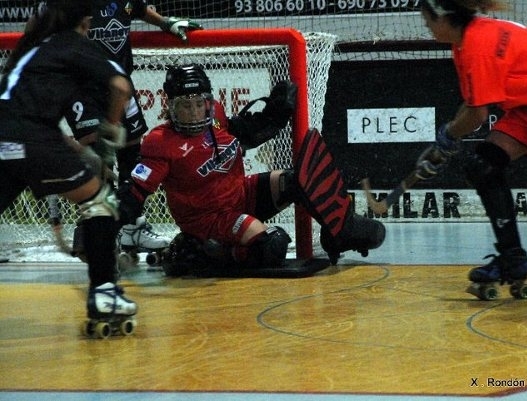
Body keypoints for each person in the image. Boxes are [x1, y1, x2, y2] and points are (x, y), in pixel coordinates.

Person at [118, 64, 386, 277]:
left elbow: (246, 133)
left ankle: (343, 231)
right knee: (273, 245)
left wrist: (274, 115)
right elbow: (135, 192)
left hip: (241, 194)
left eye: (200, 103)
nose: (195, 112)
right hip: (211, 219)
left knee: (299, 180)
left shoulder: (217, 115)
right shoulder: (161, 142)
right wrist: (105, 226)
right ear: (171, 106)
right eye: (186, 106)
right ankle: (205, 253)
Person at [415, 0, 527, 300]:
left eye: (428, 19)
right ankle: (512, 260)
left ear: (445, 17)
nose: (426, 25)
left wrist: (448, 136)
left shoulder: (477, 44)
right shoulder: (464, 44)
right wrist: (444, 144)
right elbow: (472, 104)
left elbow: (477, 115)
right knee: (482, 166)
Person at [0, 0, 137, 336]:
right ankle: (105, 293)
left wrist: (78, 151)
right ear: (85, 22)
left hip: (8, 137)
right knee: (101, 202)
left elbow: (23, 119)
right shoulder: (74, 44)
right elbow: (121, 86)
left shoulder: (30, 49)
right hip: (33, 140)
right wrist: (111, 130)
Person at [28, 1, 202, 258]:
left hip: (119, 84)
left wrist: (165, 22)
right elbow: (34, 25)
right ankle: (100, 234)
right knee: (99, 159)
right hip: (82, 90)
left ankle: (133, 227)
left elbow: (140, 9)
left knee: (133, 155)